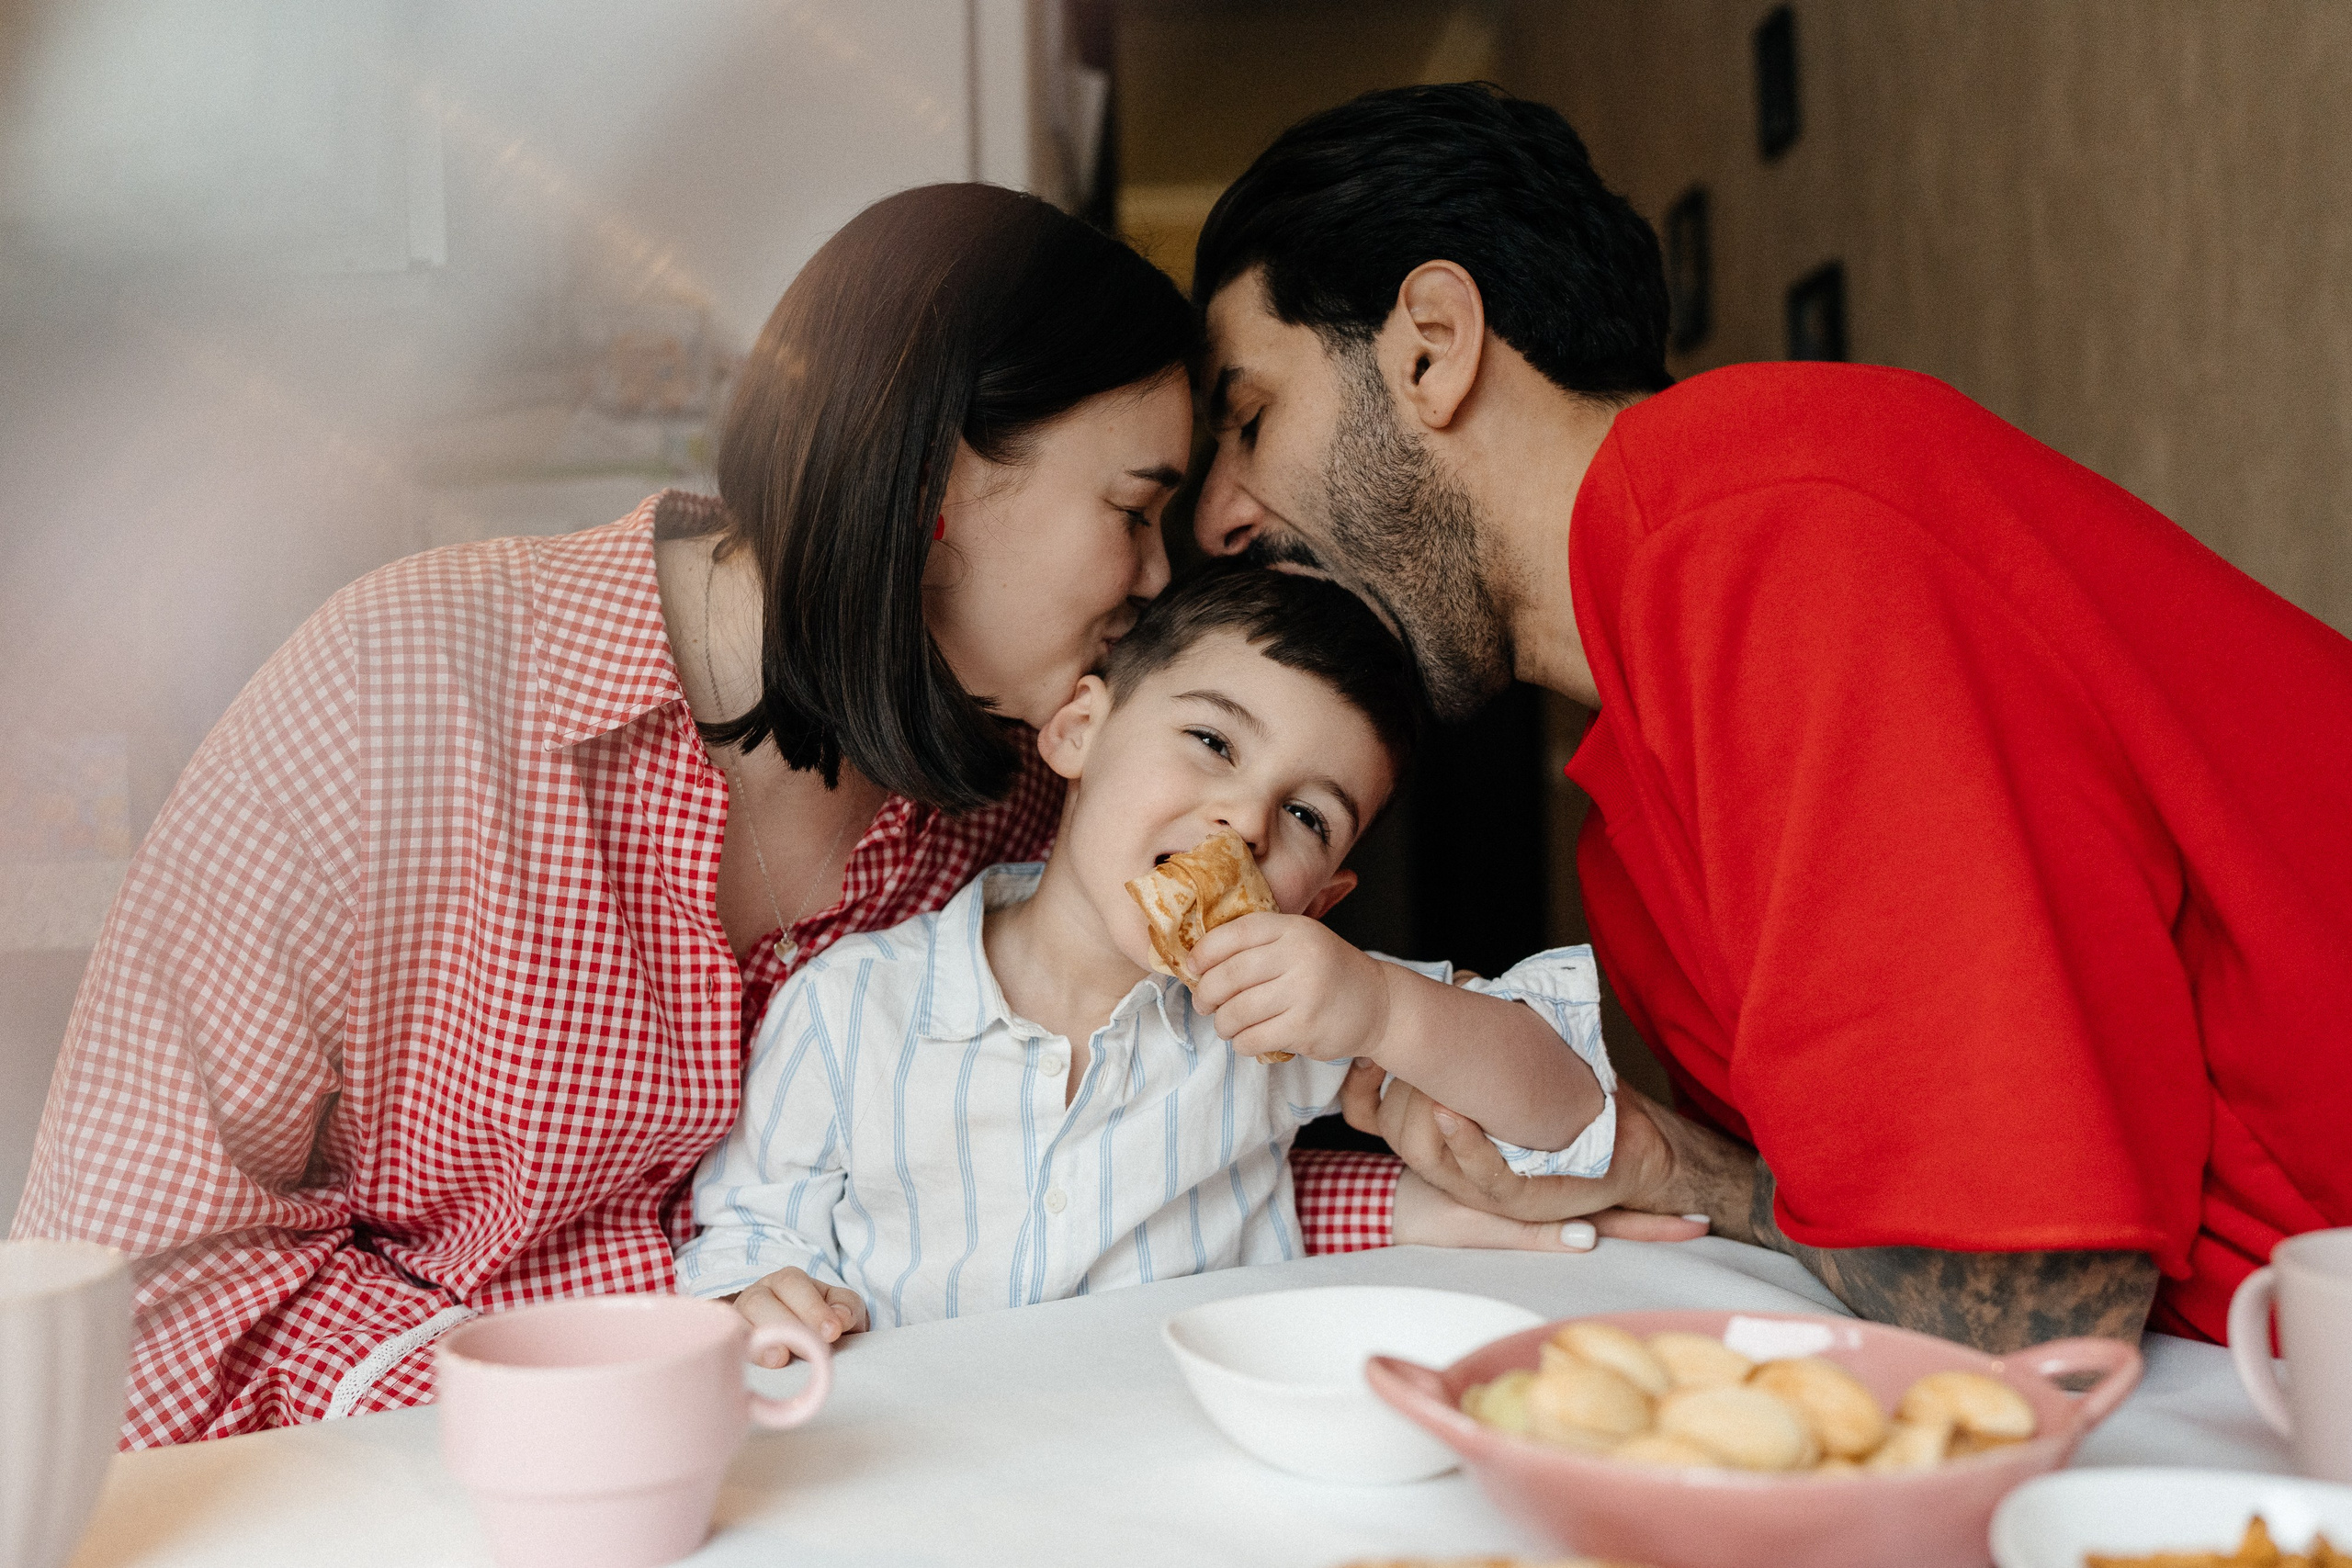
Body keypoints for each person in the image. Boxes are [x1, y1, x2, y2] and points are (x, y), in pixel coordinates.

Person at [13, 184, 1206, 1447]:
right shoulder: (399, 691)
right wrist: (614, 1392)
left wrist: (1417, 1169)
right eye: (1133, 510)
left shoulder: (1025, 809)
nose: (1161, 577)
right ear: (934, 477)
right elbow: (132, 1286)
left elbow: (1151, 1158)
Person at [1184, 84, 2352, 1351]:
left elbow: (2039, 1303)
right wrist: (1653, 1156)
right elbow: (1889, 1248)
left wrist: (1688, 1169)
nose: (1218, 520)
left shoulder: (1775, 528)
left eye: (1251, 421)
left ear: (1430, 342)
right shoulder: (1630, 820)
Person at [675, 563, 1623, 1353]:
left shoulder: (1293, 1013)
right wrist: (767, 1296)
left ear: (1320, 899)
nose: (1245, 821)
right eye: (1213, 741)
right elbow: (749, 1234)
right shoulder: (848, 1008)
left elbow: (1568, 1111)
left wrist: (1382, 1008)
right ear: (1078, 729)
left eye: (1306, 816)